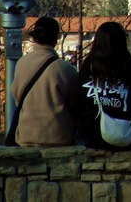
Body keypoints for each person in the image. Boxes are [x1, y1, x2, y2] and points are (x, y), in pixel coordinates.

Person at [9, 16, 79, 147]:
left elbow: (16, 96)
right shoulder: (64, 68)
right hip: (58, 137)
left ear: (35, 37)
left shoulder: (21, 64)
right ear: (55, 40)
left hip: (26, 135)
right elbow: (74, 102)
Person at [77, 21, 131, 150]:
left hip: (92, 135)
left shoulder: (88, 67)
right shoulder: (130, 67)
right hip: (125, 135)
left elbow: (79, 100)